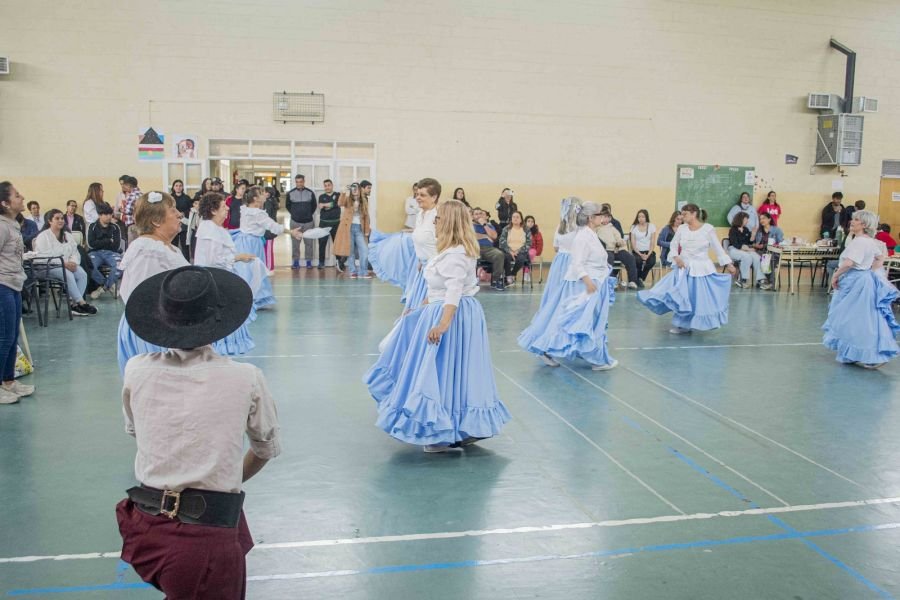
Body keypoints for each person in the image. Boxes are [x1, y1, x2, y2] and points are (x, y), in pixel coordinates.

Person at [116, 266, 280, 599]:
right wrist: (222, 478)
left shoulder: (136, 370)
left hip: (147, 524)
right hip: (205, 533)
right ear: (218, 321)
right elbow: (264, 449)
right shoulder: (245, 377)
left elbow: (140, 433)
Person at [365, 199, 510, 452]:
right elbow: (437, 288)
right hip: (439, 310)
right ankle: (444, 429)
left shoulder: (457, 253)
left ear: (449, 222)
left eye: (439, 218)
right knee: (440, 370)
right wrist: (419, 308)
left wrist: (442, 324)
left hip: (452, 316)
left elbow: (453, 292)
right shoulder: (446, 251)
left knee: (440, 370)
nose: (435, 221)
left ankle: (439, 432)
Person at [519, 201, 618, 371]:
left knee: (583, 322)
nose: (602, 218)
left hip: (592, 283)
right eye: (599, 215)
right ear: (590, 218)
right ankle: (549, 348)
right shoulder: (582, 236)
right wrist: (588, 282)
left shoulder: (590, 234)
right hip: (583, 287)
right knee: (572, 320)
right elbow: (577, 263)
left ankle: (594, 357)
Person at [117, 192, 190, 375]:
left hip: (164, 324)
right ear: (157, 221)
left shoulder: (166, 247)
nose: (179, 215)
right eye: (173, 211)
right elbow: (141, 296)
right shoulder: (148, 250)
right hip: (150, 328)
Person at [637, 203, 736, 334]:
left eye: (685, 214)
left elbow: (717, 248)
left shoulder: (708, 229)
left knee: (696, 298)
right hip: (683, 268)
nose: (682, 217)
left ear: (694, 214)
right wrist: (676, 258)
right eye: (682, 214)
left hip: (701, 269)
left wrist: (728, 264)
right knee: (682, 297)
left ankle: (698, 323)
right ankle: (683, 325)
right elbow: (673, 245)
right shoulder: (682, 228)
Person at [823, 210, 899, 368]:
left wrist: (835, 276)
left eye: (856, 220)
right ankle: (854, 352)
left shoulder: (859, 242)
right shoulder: (869, 241)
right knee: (856, 317)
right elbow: (879, 257)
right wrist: (871, 272)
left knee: (855, 318)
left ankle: (871, 354)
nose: (852, 221)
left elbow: (849, 263)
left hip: (855, 281)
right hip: (861, 280)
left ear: (863, 224)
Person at [193, 193, 259, 355]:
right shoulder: (209, 229)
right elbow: (212, 260)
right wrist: (238, 257)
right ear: (213, 210)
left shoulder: (216, 229)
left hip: (222, 278)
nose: (227, 208)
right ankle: (218, 346)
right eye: (223, 206)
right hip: (214, 280)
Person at [518, 198, 582, 354]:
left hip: (559, 262)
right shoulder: (579, 229)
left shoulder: (559, 228)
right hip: (571, 263)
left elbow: (555, 247)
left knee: (554, 296)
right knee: (571, 297)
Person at [233, 186, 302, 309]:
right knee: (252, 271)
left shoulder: (245, 209)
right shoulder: (257, 214)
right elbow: (273, 227)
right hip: (252, 244)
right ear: (255, 199)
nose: (265, 194)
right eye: (261, 193)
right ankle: (251, 299)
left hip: (243, 241)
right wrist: (291, 232)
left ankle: (244, 298)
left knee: (246, 271)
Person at [0, 182, 34, 405]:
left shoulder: (12, 224)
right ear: (4, 203)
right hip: (2, 284)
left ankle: (9, 381)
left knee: (12, 337)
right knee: (3, 337)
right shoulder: (1, 226)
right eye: (16, 195)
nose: (21, 198)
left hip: (15, 283)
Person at [33, 209, 96, 316]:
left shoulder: (67, 235)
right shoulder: (43, 236)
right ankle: (82, 303)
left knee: (82, 274)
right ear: (50, 221)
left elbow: (75, 252)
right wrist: (63, 263)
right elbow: (43, 256)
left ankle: (74, 305)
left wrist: (73, 263)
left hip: (67, 265)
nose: (61, 220)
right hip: (47, 267)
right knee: (68, 274)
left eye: (62, 218)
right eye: (57, 218)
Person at [334, 183, 371, 279]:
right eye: (353, 188)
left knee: (365, 251)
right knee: (350, 251)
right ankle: (353, 271)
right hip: (348, 229)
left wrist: (367, 230)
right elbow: (339, 203)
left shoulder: (364, 201)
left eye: (356, 188)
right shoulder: (347, 199)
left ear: (359, 190)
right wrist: (342, 192)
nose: (355, 190)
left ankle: (363, 271)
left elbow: (366, 217)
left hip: (360, 229)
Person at [596, 208, 638, 289]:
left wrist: (620, 242)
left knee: (630, 258)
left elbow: (618, 237)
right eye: (603, 217)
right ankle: (612, 281)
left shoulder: (612, 228)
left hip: (617, 249)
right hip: (606, 250)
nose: (605, 219)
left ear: (610, 218)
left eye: (607, 217)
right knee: (609, 259)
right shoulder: (597, 228)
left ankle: (632, 281)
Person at [87, 203, 122, 298]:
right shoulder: (92, 226)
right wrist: (108, 241)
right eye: (106, 214)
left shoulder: (115, 227)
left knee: (120, 265)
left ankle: (103, 288)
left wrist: (99, 242)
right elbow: (91, 244)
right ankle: (107, 285)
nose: (109, 217)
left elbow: (116, 246)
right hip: (95, 253)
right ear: (99, 215)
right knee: (88, 265)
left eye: (110, 214)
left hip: (111, 253)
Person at [727, 212, 769, 289]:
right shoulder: (733, 230)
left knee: (757, 257)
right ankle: (743, 280)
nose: (747, 221)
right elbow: (736, 244)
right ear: (741, 220)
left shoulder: (746, 229)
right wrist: (748, 249)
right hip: (734, 250)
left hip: (745, 249)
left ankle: (760, 280)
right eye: (746, 219)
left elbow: (749, 242)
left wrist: (753, 234)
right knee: (746, 257)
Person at [286, 174, 317, 269]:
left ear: (304, 181)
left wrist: (307, 214)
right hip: (295, 222)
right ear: (295, 182)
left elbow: (314, 206)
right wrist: (296, 214)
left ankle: (308, 262)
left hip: (308, 222)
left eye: (301, 182)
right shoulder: (290, 193)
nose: (299, 184)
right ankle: (295, 262)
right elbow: (288, 206)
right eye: (297, 182)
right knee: (295, 243)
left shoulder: (310, 193)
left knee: (309, 243)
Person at [472, 207, 507, 291]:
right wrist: (485, 236)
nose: (478, 216)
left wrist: (484, 225)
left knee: (499, 254)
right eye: (476, 214)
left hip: (488, 249)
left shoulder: (489, 225)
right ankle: (471, 281)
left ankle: (495, 280)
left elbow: (494, 236)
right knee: (469, 256)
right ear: (472, 216)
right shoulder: (469, 225)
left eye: (480, 213)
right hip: (474, 248)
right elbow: (471, 236)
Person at [752, 212, 783, 288]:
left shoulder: (777, 230)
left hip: (773, 252)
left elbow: (780, 242)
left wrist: (765, 245)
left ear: (769, 219)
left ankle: (770, 282)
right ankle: (765, 281)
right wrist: (756, 245)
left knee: (767, 258)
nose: (761, 220)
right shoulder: (759, 231)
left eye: (764, 218)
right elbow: (754, 242)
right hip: (760, 251)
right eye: (760, 219)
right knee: (763, 257)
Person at [499, 211, 532, 283]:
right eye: (513, 217)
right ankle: (508, 275)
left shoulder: (526, 229)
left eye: (517, 217)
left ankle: (513, 273)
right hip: (508, 251)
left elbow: (529, 243)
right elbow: (501, 242)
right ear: (511, 219)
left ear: (521, 219)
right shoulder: (506, 229)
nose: (515, 219)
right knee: (505, 257)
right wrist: (510, 251)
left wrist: (518, 251)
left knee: (521, 259)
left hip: (521, 251)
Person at [317, 179, 341, 270]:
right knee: (322, 244)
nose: (327, 187)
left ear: (332, 185)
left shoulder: (337, 195)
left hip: (336, 224)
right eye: (325, 185)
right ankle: (321, 263)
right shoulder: (321, 196)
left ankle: (339, 262)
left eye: (328, 185)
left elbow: (336, 204)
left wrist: (326, 205)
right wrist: (330, 205)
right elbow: (320, 206)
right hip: (324, 224)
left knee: (337, 244)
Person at [629, 209, 657, 287]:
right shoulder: (633, 227)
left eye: (643, 217)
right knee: (637, 260)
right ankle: (637, 279)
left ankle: (641, 278)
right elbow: (633, 244)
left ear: (646, 217)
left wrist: (648, 254)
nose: (641, 218)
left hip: (648, 251)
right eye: (639, 217)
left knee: (651, 261)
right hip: (637, 251)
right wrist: (640, 254)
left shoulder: (651, 226)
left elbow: (652, 242)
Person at [170, 180, 193, 261]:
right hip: (173, 223)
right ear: (173, 187)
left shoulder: (186, 198)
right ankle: (174, 262)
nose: (178, 187)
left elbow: (190, 209)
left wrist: (184, 213)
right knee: (173, 245)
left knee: (185, 246)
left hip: (184, 224)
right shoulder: (170, 198)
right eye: (176, 185)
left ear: (182, 187)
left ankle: (186, 263)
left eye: (180, 185)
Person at [122, 176, 143, 245]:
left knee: (132, 248)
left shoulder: (132, 195)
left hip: (133, 225)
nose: (123, 187)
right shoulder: (141, 194)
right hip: (140, 224)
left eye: (124, 185)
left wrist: (121, 210)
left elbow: (128, 210)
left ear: (129, 185)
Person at [524, 215, 542, 283]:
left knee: (530, 253)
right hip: (523, 250)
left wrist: (537, 253)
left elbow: (540, 244)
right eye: (528, 221)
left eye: (532, 221)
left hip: (533, 251)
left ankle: (526, 272)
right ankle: (527, 272)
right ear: (525, 223)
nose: (530, 223)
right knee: (525, 253)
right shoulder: (522, 231)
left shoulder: (537, 233)